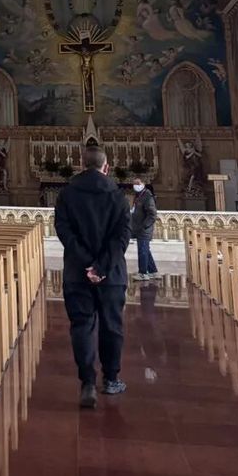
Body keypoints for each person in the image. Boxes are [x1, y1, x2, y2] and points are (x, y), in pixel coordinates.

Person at [55, 146, 131, 409]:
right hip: (112, 275)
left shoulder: (67, 194)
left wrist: (87, 263)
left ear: (81, 164)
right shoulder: (118, 196)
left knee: (82, 326)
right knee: (112, 326)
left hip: (77, 274)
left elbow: (64, 232)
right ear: (106, 167)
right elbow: (122, 237)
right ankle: (111, 379)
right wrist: (101, 267)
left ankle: (87, 381)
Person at [130, 177, 159, 280]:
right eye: (134, 184)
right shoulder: (139, 195)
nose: (136, 186)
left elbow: (152, 214)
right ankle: (153, 272)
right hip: (139, 228)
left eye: (138, 183)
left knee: (142, 251)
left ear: (143, 184)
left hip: (144, 229)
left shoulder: (147, 196)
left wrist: (144, 226)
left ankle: (142, 273)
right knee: (145, 250)